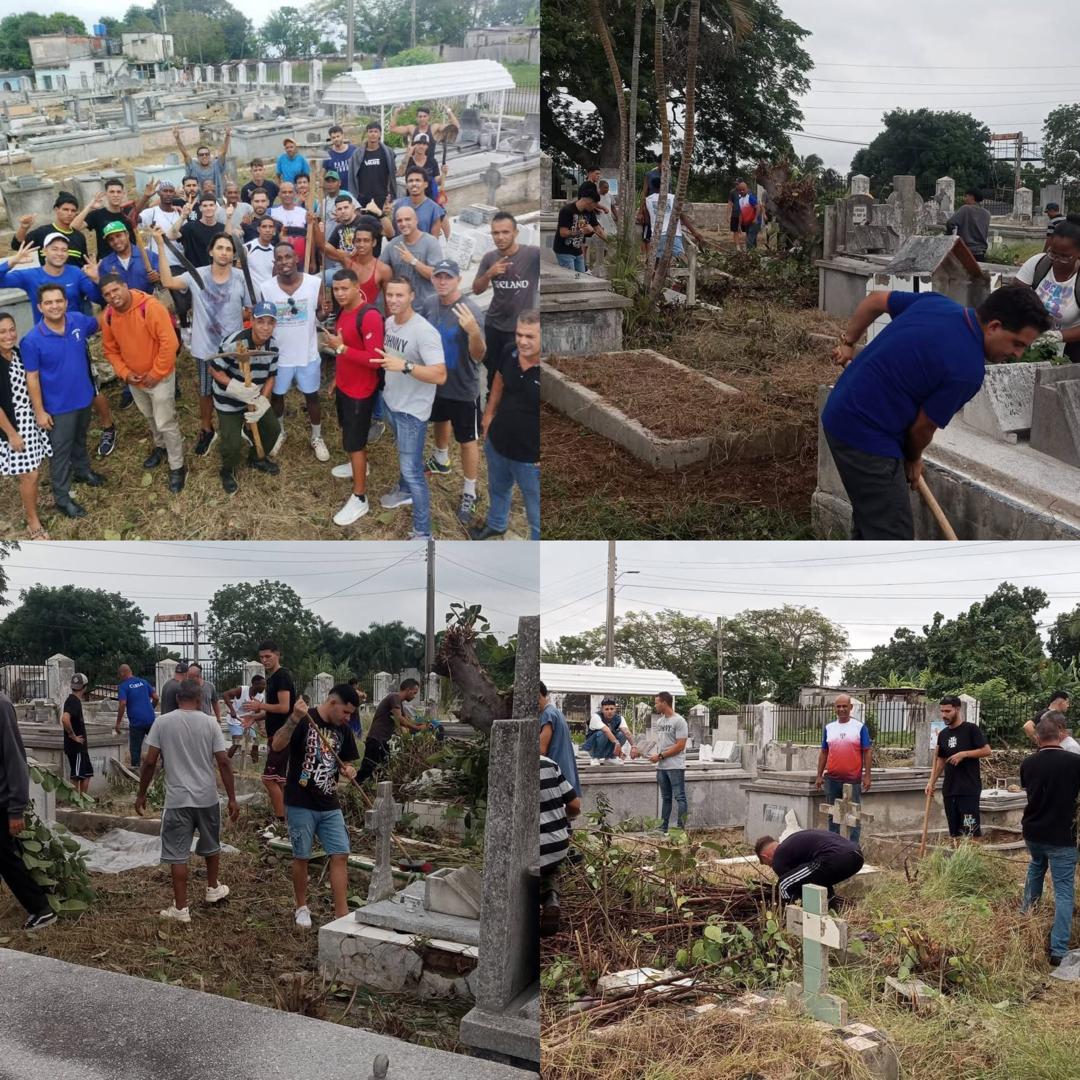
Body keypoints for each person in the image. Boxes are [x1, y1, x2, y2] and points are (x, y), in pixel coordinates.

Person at [822, 286, 1051, 540]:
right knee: (892, 538)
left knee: (874, 519)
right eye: (1017, 343)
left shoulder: (937, 304)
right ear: (994, 326)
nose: (1018, 354)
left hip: (841, 407)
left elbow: (875, 300)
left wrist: (849, 343)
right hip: (865, 436)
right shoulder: (967, 370)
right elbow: (922, 429)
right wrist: (913, 458)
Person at [0, 237, 116, 459]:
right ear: (45, 251)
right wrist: (12, 261)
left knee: (91, 386)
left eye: (64, 249)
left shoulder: (74, 273)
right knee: (45, 384)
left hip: (74, 339)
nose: (60, 253)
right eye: (55, 249)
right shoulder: (30, 275)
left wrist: (97, 278)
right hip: (43, 344)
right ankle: (52, 429)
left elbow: (99, 297)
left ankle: (107, 426)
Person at [135, 677, 238, 923]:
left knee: (177, 854)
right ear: (200, 699)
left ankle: (181, 909)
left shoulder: (162, 722)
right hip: (207, 797)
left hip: (177, 799)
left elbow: (150, 762)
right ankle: (212, 888)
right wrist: (232, 798)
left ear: (177, 699)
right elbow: (223, 761)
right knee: (212, 844)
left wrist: (141, 793)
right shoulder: (210, 723)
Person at [272, 684, 361, 928]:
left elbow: (348, 763)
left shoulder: (343, 730)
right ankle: (301, 906)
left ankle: (341, 914)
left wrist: (349, 770)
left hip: (329, 803)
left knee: (340, 854)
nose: (348, 717)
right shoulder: (304, 718)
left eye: (350, 714)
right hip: (300, 802)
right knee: (302, 856)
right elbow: (277, 745)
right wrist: (293, 719)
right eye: (345, 711)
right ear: (333, 703)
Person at [154, 229, 249, 458]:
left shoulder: (240, 277)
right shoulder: (197, 275)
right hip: (205, 347)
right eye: (220, 248)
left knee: (235, 389)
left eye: (228, 249)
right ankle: (207, 430)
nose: (224, 253)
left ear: (233, 254)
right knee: (206, 391)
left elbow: (249, 310)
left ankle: (239, 426)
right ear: (211, 251)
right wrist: (160, 245)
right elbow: (167, 281)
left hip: (233, 348)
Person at [21, 283, 104, 519]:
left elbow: (101, 320)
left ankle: (83, 471)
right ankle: (62, 497)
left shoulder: (78, 320)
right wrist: (39, 411)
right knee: (60, 452)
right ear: (40, 307)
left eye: (59, 301)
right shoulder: (32, 340)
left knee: (80, 438)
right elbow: (33, 378)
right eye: (48, 302)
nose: (55, 306)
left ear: (66, 303)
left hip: (83, 397)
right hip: (58, 407)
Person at [99, 272, 186, 493]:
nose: (113, 296)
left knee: (165, 420)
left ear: (125, 286)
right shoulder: (108, 316)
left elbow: (170, 343)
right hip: (134, 379)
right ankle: (160, 447)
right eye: (107, 294)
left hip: (160, 376)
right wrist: (125, 373)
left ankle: (178, 465)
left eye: (115, 290)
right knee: (149, 415)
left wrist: (156, 373)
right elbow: (110, 350)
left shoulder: (150, 307)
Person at [377, 276, 447, 540]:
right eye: (390, 295)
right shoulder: (389, 323)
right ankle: (404, 492)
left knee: (412, 470)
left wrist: (405, 367)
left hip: (411, 412)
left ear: (412, 296)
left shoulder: (424, 331)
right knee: (408, 457)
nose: (393, 300)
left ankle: (423, 532)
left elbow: (440, 375)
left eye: (400, 295)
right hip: (392, 402)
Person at [420, 259, 486, 525]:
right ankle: (440, 458)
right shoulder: (429, 303)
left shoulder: (470, 310)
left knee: (468, 439)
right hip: (436, 381)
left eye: (448, 277)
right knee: (439, 418)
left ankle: (470, 490)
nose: (442, 281)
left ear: (458, 280)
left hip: (463, 387)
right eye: (438, 276)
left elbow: (479, 355)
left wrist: (472, 332)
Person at [320, 268, 384, 526]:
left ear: (358, 288)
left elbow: (375, 360)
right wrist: (337, 377)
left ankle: (360, 498)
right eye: (336, 289)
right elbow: (345, 351)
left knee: (355, 442)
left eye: (345, 288)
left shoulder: (369, 317)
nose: (340, 293)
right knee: (348, 434)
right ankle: (359, 465)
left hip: (361, 391)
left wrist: (342, 348)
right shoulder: (343, 312)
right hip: (346, 385)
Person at [470, 310, 540, 541]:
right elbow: (498, 379)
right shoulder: (509, 351)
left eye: (530, 336)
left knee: (536, 514)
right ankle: (497, 524)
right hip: (498, 442)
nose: (522, 341)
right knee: (498, 489)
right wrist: (488, 415)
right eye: (519, 334)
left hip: (531, 459)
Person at [1019, 712, 1080, 965]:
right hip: (1062, 835)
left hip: (1033, 831)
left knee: (1035, 870)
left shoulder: (1027, 764)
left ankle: (1024, 924)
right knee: (1064, 890)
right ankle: (1057, 950)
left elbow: (1029, 791)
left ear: (1038, 739)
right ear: (1061, 735)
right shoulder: (1075, 762)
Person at [259, 242, 328, 462]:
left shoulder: (314, 283)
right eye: (279, 259)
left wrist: (324, 313)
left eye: (287, 257)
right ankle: (280, 432)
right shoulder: (267, 288)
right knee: (278, 396)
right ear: (275, 263)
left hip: (307, 354)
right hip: (280, 357)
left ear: (296, 258)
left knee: (312, 397)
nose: (284, 262)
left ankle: (317, 437)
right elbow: (265, 320)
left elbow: (320, 313)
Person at [0, 690, 57, 930]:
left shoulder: (1, 705)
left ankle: (41, 908)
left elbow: (14, 757)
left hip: (2, 800)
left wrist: (16, 809)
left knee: (6, 859)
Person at [212, 301, 282, 493]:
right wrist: (234, 387)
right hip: (229, 400)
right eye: (261, 321)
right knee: (232, 446)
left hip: (253, 398)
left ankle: (256, 458)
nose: (265, 327)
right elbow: (214, 369)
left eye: (270, 322)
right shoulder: (235, 342)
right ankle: (227, 471)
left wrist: (262, 402)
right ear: (251, 320)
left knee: (273, 429)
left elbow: (271, 376)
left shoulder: (273, 346)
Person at [472, 212, 540, 391]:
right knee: (493, 371)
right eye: (495, 233)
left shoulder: (532, 255)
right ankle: (491, 407)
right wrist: (489, 274)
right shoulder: (489, 258)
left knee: (518, 374)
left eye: (505, 232)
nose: (500, 237)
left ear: (516, 233)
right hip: (494, 325)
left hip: (519, 329)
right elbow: (476, 289)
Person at [0, 312, 51, 539]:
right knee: (29, 474)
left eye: (11, 329)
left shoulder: (18, 354)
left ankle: (32, 510)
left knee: (33, 471)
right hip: (12, 425)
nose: (9, 335)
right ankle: (32, 522)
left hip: (30, 420)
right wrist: (11, 434)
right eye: (2, 332)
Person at [246, 641, 296, 833]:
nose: (264, 660)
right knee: (280, 780)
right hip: (276, 733)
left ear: (278, 655)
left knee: (269, 779)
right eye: (262, 657)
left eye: (268, 656)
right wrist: (255, 717)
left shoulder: (282, 677)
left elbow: (285, 707)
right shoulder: (273, 678)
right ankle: (288, 819)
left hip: (282, 735)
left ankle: (281, 820)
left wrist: (260, 707)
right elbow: (275, 710)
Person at [925, 694, 991, 838]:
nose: (944, 715)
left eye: (947, 711)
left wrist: (964, 754)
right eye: (942, 711)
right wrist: (931, 782)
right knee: (954, 832)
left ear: (957, 709)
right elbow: (941, 761)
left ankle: (971, 858)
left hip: (968, 790)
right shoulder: (942, 735)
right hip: (950, 790)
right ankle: (957, 858)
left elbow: (987, 750)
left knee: (970, 830)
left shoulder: (971, 729)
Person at [1015, 221, 1080, 363]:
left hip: (1072, 349)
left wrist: (1057, 336)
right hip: (1032, 338)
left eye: (1064, 256)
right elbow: (1015, 297)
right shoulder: (1038, 264)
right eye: (1053, 253)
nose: (1056, 261)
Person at [814, 693, 872, 845]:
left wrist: (867, 776)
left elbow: (867, 751)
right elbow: (824, 752)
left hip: (852, 780)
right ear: (835, 708)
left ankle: (852, 848)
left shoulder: (860, 728)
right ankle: (833, 846)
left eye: (844, 706)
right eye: (838, 706)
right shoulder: (829, 728)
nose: (841, 709)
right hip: (832, 779)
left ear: (850, 707)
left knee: (853, 816)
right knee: (833, 815)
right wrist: (819, 775)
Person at [755, 829, 864, 909]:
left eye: (767, 864)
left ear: (765, 856)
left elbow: (793, 886)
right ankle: (831, 912)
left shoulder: (779, 857)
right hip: (856, 855)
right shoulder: (792, 844)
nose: (771, 866)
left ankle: (797, 918)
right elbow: (806, 880)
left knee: (784, 885)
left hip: (833, 857)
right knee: (818, 881)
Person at [539, 753, 580, 937]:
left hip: (532, 850)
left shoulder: (505, 762)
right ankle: (551, 897)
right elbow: (574, 804)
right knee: (549, 866)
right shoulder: (548, 763)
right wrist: (566, 818)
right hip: (558, 843)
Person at [358, 678, 423, 783]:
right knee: (367, 769)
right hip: (377, 739)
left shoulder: (399, 702)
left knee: (383, 769)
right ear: (408, 690)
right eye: (414, 693)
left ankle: (369, 791)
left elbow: (406, 720)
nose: (414, 696)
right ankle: (353, 788)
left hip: (383, 740)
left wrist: (420, 726)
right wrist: (417, 728)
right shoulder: (394, 697)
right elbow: (399, 719)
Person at [379, 205, 441, 308]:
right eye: (399, 221)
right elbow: (379, 268)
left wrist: (413, 261)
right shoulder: (393, 244)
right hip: (402, 307)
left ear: (416, 220)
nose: (403, 224)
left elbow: (436, 275)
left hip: (426, 308)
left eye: (407, 219)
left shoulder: (431, 242)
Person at [12, 192, 90, 269]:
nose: (69, 213)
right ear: (56, 210)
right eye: (65, 209)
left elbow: (84, 264)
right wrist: (23, 228)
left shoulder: (79, 237)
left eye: (73, 211)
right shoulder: (42, 232)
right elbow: (17, 245)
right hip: (49, 281)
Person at [649, 691, 688, 833]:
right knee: (666, 798)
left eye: (657, 702)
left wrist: (659, 756)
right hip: (662, 766)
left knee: (680, 798)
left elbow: (680, 746)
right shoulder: (660, 721)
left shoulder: (679, 721)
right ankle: (663, 827)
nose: (655, 705)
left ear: (664, 703)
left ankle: (680, 829)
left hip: (675, 766)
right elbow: (658, 742)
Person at [539, 682, 580, 797]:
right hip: (566, 774)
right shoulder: (556, 713)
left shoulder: (547, 715)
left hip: (556, 776)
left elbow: (541, 750)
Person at [98, 220, 160, 293]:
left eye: (118, 236)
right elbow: (103, 295)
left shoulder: (149, 256)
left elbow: (166, 281)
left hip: (148, 302)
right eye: (111, 239)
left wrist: (158, 277)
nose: (116, 241)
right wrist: (96, 279)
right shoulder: (105, 264)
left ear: (127, 234)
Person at [645, 189, 706, 263]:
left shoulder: (648, 200)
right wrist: (694, 233)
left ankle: (657, 272)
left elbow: (647, 220)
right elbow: (682, 217)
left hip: (658, 235)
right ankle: (689, 267)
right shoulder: (673, 197)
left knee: (657, 260)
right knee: (681, 257)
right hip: (674, 234)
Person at [114, 663, 157, 768]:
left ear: (122, 673)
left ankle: (135, 774)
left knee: (135, 750)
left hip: (136, 723)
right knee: (158, 745)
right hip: (151, 720)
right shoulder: (143, 682)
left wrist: (118, 723)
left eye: (119, 675)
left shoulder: (123, 686)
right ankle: (165, 768)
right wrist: (151, 708)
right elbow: (156, 698)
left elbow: (123, 703)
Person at [347, 121, 398, 209]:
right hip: (363, 198)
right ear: (367, 133)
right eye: (370, 131)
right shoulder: (357, 154)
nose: (373, 134)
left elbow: (392, 174)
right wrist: (355, 197)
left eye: (375, 131)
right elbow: (352, 176)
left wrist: (390, 193)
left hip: (382, 197)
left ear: (380, 134)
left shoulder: (388, 152)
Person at [174, 125, 231, 197]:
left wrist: (228, 136)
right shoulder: (193, 166)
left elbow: (223, 152)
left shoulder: (216, 165)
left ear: (209, 155)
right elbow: (185, 154)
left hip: (216, 198)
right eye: (201, 155)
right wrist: (177, 138)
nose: (204, 156)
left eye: (206, 154)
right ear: (197, 157)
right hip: (198, 200)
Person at [553, 185, 600, 272]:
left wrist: (610, 241)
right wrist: (582, 231)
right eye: (594, 205)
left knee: (580, 277)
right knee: (571, 279)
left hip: (578, 251)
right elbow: (563, 233)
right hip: (564, 251)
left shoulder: (589, 212)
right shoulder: (567, 210)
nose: (595, 208)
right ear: (589, 202)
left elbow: (597, 228)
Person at [172, 193, 225, 269]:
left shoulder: (222, 228)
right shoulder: (190, 227)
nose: (208, 208)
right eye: (205, 206)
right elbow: (171, 236)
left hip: (217, 274)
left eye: (211, 205)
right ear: (200, 208)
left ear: (216, 207)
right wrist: (183, 217)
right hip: (195, 275)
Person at [61, 672, 93, 795]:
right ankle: (76, 802)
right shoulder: (73, 701)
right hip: (76, 747)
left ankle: (83, 800)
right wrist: (72, 735)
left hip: (79, 747)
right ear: (85, 687)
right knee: (77, 775)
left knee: (86, 773)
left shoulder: (74, 700)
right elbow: (65, 719)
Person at [392, 168, 447, 237]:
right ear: (406, 185)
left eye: (418, 180)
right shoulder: (397, 205)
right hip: (400, 246)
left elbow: (434, 240)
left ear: (426, 184)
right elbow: (391, 235)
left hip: (424, 247)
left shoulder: (435, 209)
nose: (414, 184)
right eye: (410, 181)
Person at [223, 673, 266, 762]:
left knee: (255, 743)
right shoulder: (242, 690)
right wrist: (232, 710)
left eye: (265, 684)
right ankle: (225, 764)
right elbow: (225, 694)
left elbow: (257, 713)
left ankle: (255, 765)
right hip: (234, 720)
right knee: (237, 742)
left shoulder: (260, 697)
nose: (264, 687)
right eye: (262, 684)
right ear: (255, 684)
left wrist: (261, 728)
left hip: (248, 721)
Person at [581, 697, 634, 762]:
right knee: (603, 733)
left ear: (615, 709)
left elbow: (626, 732)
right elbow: (606, 730)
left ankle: (610, 757)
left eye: (612, 709)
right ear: (602, 710)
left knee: (622, 734)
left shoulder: (619, 718)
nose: (609, 711)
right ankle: (595, 758)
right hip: (593, 748)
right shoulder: (595, 717)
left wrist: (634, 746)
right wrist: (617, 743)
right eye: (606, 709)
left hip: (607, 747)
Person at [269, 182, 310, 265]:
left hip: (300, 260)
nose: (287, 195)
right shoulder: (271, 212)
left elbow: (309, 236)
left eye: (290, 192)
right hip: (279, 260)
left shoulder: (304, 212)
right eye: (284, 192)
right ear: (279, 194)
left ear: (295, 194)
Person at [945, 189, 991, 261]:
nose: (965, 199)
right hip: (980, 252)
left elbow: (950, 223)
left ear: (972, 197)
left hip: (965, 250)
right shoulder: (987, 213)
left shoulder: (965, 209)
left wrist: (949, 235)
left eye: (966, 196)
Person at [389, 102, 459, 149]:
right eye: (420, 116)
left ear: (428, 117)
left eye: (424, 116)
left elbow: (456, 127)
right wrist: (396, 112)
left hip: (429, 165)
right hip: (415, 165)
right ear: (416, 118)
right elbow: (393, 129)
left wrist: (449, 111)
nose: (422, 119)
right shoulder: (412, 129)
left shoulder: (434, 128)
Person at [244, 215, 279, 286]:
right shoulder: (247, 248)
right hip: (251, 294)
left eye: (270, 227)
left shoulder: (275, 252)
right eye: (264, 226)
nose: (267, 230)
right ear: (258, 229)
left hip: (269, 294)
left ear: (274, 230)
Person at [728, 179, 757, 251]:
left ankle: (749, 246)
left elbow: (755, 205)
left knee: (748, 231)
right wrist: (728, 215)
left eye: (738, 184)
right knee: (735, 230)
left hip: (746, 215)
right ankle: (738, 247)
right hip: (735, 214)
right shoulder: (732, 192)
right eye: (736, 184)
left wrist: (754, 216)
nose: (736, 185)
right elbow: (730, 203)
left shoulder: (749, 192)